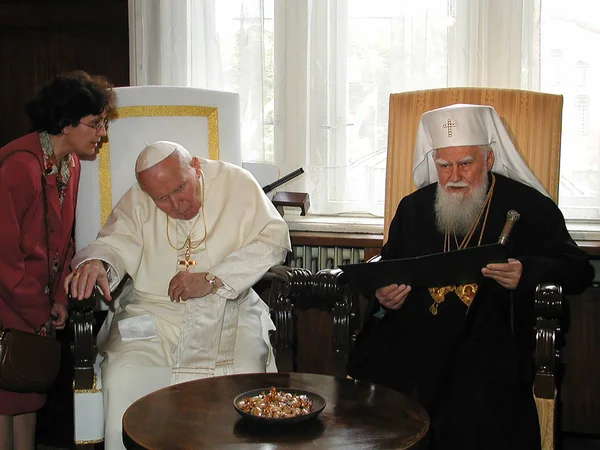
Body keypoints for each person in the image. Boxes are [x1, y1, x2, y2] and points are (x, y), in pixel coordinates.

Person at [347, 104, 594, 450]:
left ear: (489, 160)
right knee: (373, 374)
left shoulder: (528, 206)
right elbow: (389, 266)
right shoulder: (415, 208)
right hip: (415, 333)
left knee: (470, 392)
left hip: (490, 337)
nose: (454, 177)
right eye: (444, 166)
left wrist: (526, 271)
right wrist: (385, 296)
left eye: (466, 163)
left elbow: (578, 268)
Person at [66, 140, 291, 450]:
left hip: (228, 306)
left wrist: (214, 278)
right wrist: (97, 262)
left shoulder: (236, 183)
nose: (177, 205)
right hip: (154, 311)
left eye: (181, 188)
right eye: (162, 199)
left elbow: (274, 239)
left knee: (243, 371)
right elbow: (113, 243)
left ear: (195, 167)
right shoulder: (138, 200)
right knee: (122, 376)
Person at [0, 71, 114, 449]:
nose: (101, 133)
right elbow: (4, 254)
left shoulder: (71, 164)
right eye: (95, 124)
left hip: (34, 304)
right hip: (8, 301)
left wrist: (60, 298)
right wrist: (37, 309)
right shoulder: (20, 166)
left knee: (28, 394)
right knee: (5, 402)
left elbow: (63, 240)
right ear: (66, 123)